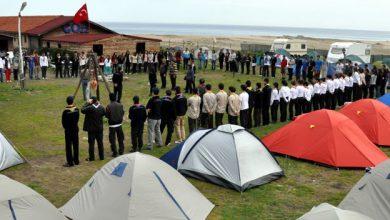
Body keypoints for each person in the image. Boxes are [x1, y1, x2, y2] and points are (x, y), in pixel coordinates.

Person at [81, 96, 106, 161]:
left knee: (91, 144)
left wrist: (87, 103)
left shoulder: (90, 108)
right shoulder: (101, 107)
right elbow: (104, 113)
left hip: (91, 129)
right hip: (99, 128)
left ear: (92, 101)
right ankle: (101, 157)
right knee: (100, 143)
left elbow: (82, 110)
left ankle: (92, 158)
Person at [61, 96, 79, 167]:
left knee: (68, 146)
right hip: (75, 129)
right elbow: (77, 119)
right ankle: (76, 160)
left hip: (68, 130)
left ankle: (70, 162)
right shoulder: (77, 109)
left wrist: (66, 128)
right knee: (76, 145)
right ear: (72, 101)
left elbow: (63, 123)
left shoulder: (65, 112)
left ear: (67, 102)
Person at [106, 93, 125, 157]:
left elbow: (107, 115)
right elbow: (122, 113)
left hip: (112, 125)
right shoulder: (120, 105)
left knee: (112, 140)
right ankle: (121, 151)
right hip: (119, 125)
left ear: (110, 98)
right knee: (120, 139)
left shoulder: (108, 106)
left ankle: (115, 152)